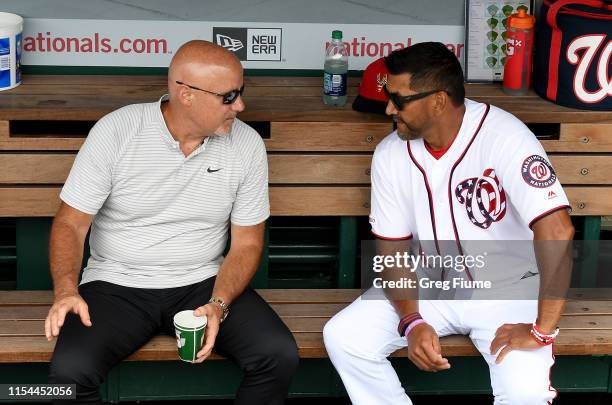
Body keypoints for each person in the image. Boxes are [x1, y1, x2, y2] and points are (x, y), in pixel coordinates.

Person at [45, 40, 299, 405]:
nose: (240, 106)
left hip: (202, 283)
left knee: (278, 355)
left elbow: (247, 243)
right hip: (117, 285)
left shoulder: (246, 145)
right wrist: (67, 291)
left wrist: (219, 303)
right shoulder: (118, 131)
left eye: (242, 92)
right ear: (186, 94)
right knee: (67, 378)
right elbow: (71, 224)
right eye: (229, 97)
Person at [323, 42, 574, 404]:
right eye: (387, 95)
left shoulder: (505, 137)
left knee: (524, 392)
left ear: (438, 101)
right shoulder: (390, 154)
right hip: (432, 283)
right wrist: (412, 321)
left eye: (399, 98)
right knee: (345, 337)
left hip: (508, 290)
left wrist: (542, 331)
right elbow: (392, 250)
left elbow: (557, 230)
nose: (390, 108)